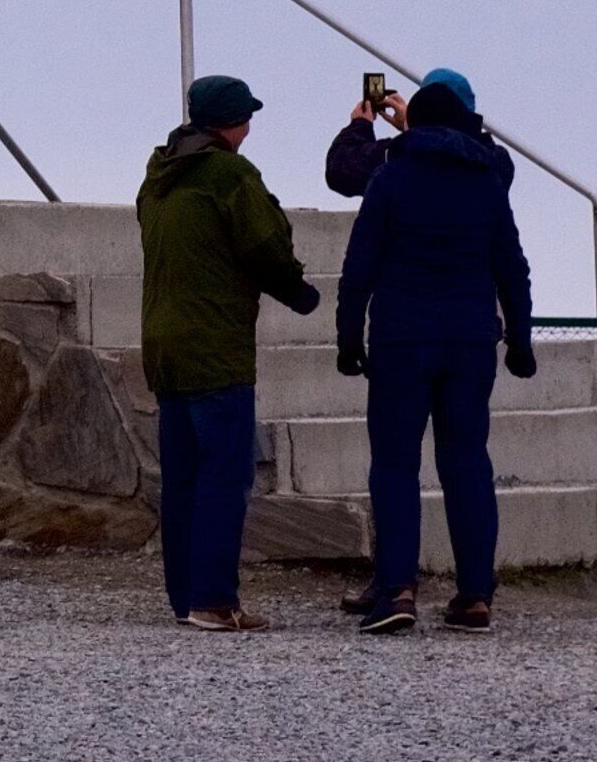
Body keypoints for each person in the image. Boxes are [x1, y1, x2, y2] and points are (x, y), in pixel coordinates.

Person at [335, 77, 538, 635]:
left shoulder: (391, 177)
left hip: (402, 339)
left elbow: (359, 269)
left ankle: (398, 589)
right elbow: (512, 268)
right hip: (471, 341)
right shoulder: (488, 180)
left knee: (395, 463)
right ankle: (475, 595)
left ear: (414, 122)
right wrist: (520, 340)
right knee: (467, 463)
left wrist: (348, 338)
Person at [137, 74, 322, 631]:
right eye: (248, 117)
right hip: (216, 349)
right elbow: (265, 246)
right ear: (233, 123)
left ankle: (186, 597)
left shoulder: (159, 176)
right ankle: (215, 601)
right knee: (222, 476)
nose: (251, 127)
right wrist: (301, 293)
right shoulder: (229, 174)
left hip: (165, 347)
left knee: (184, 480)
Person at [324, 67, 510, 199]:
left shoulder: (402, 155)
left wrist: (360, 124)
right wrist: (414, 127)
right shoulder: (497, 162)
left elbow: (341, 169)